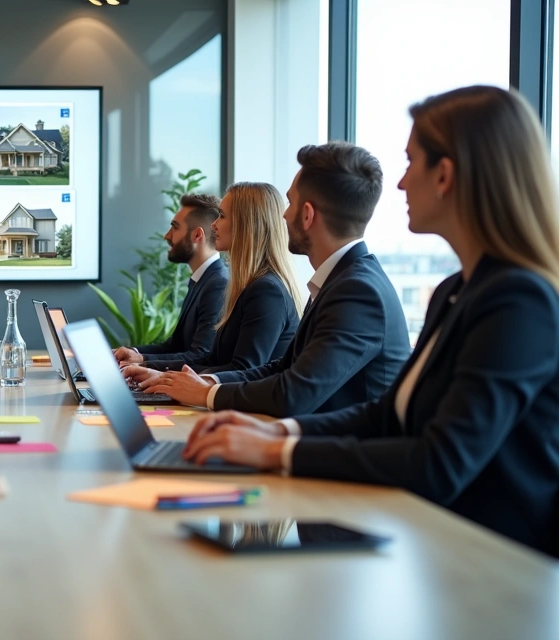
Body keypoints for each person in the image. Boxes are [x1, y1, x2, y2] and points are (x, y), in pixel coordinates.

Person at [182, 86, 559, 556]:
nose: (400, 184)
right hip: (432, 541)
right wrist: (279, 432)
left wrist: (276, 451)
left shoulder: (518, 303)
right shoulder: (455, 291)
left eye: (410, 162)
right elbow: (388, 415)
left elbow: (441, 460)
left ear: (445, 175)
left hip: (491, 567)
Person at [149, 142, 411, 417]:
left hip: (334, 450)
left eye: (290, 203)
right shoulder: (340, 281)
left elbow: (294, 394)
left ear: (307, 215)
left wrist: (206, 393)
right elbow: (284, 367)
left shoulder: (357, 291)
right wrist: (206, 383)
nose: (283, 215)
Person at [123, 183, 301, 381]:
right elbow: (212, 359)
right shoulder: (246, 286)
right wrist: (148, 367)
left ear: (246, 224)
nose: (213, 225)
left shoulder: (266, 290)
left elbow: (244, 369)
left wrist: (163, 376)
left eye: (222, 216)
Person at [113, 194, 229, 367]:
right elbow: (175, 345)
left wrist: (142, 362)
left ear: (197, 235)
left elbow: (201, 354)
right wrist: (133, 353)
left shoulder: (218, 283)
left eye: (174, 227)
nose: (166, 236)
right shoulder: (203, 278)